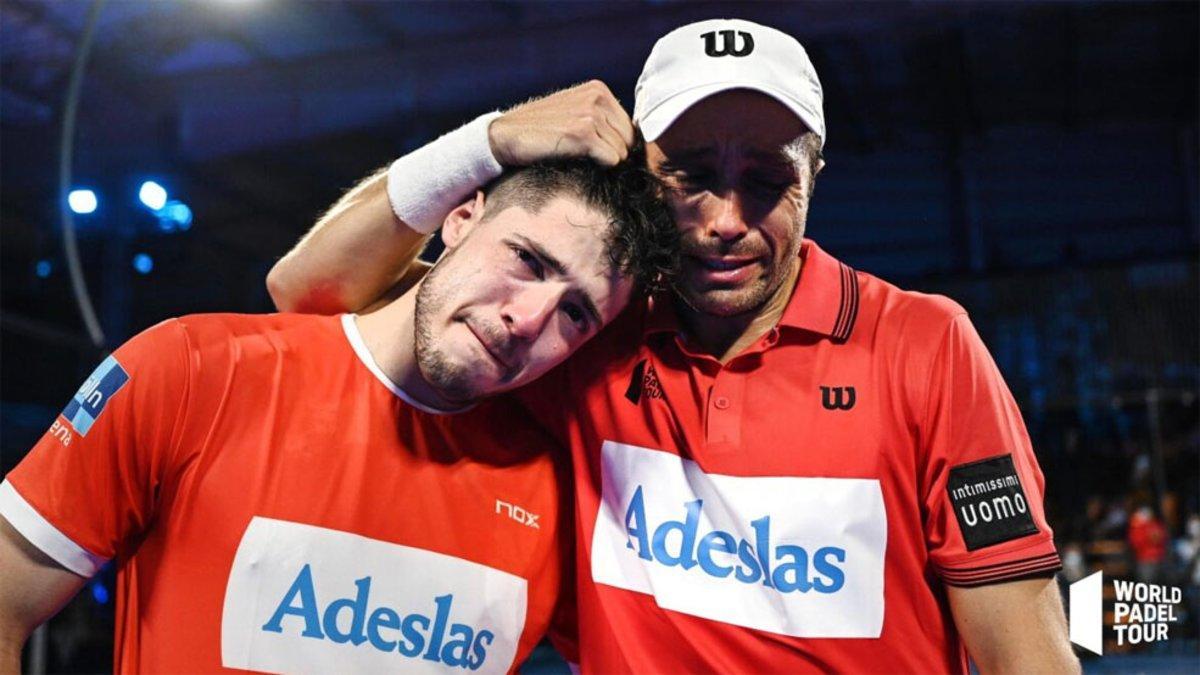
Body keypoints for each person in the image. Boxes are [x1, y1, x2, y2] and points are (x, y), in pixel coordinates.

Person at [267, 18, 1079, 673]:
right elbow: (313, 291)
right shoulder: (582, 326)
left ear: (816, 176)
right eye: (689, 175)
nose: (725, 221)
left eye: (767, 180)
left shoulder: (923, 343)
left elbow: (1026, 650)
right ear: (638, 169)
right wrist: (487, 143)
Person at [0, 158, 677, 672]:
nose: (527, 319)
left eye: (576, 312)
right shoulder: (200, 367)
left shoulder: (570, 495)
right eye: (528, 260)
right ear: (461, 218)